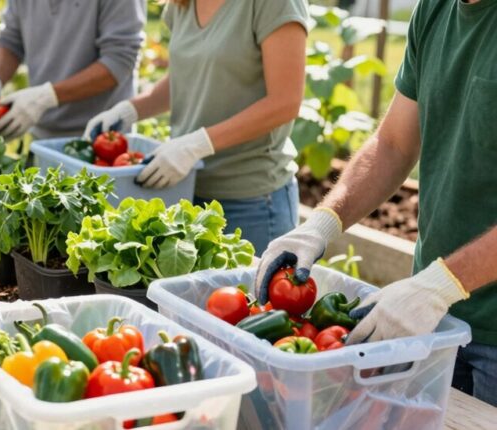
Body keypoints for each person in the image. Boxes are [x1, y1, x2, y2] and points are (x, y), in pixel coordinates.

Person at [255, 0, 497, 406]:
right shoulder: (435, 10)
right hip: (435, 320)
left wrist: (441, 285)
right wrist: (323, 223)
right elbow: (393, 144)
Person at [85, 0, 309, 255]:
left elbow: (285, 102)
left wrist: (197, 144)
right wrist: (132, 109)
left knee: (251, 295)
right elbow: (188, 76)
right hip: (186, 192)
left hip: (251, 203)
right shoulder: (182, 3)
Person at [0, 0, 146, 140]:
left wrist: (47, 97)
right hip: (41, 135)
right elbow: (10, 39)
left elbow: (119, 61)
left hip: (102, 140)